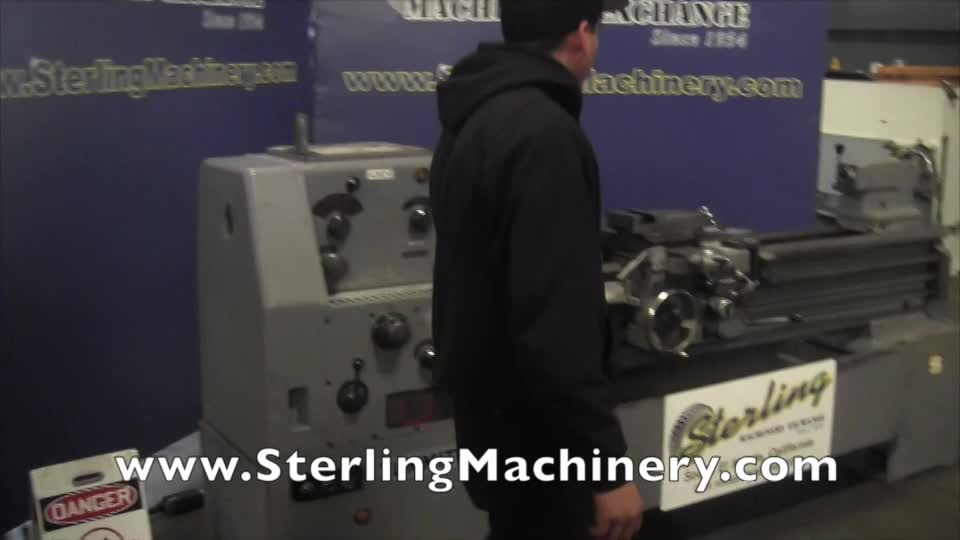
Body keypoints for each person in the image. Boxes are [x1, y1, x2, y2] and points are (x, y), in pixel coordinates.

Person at [428, 1, 645, 539]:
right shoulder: (546, 135)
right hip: (540, 437)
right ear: (581, 36)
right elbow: (553, 324)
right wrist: (604, 464)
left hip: (492, 420)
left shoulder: (474, 115)